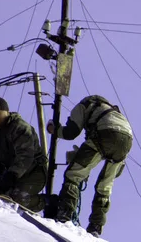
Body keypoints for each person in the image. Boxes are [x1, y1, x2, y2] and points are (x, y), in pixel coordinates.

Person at [47, 95, 133, 237]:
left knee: (73, 175)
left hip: (104, 134)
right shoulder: (111, 110)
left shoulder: (83, 105)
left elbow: (71, 132)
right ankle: (95, 227)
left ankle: (65, 216)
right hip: (126, 140)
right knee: (104, 187)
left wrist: (54, 129)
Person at [0, 95, 48, 212]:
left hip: (34, 171)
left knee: (16, 199)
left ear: (6, 112)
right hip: (11, 174)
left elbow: (26, 155)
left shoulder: (19, 127)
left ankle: (47, 202)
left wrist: (12, 175)